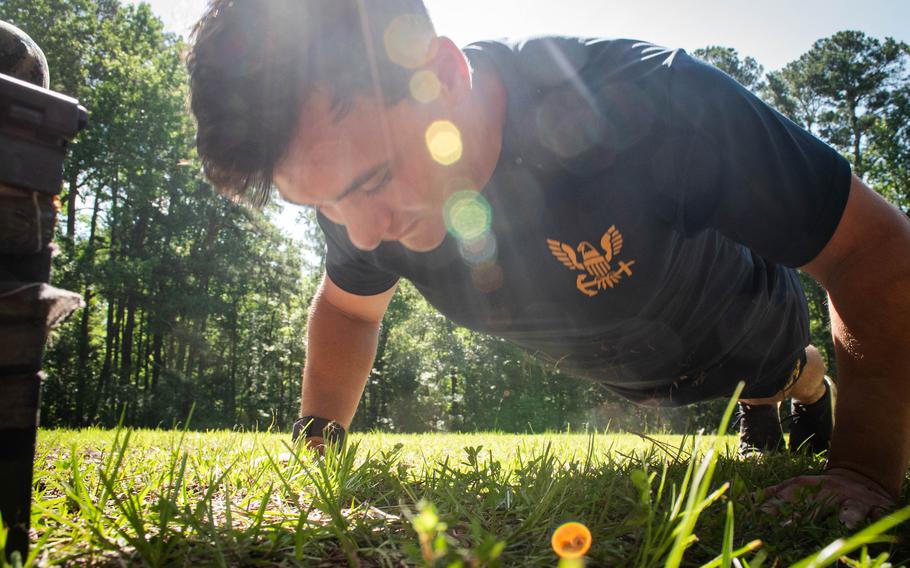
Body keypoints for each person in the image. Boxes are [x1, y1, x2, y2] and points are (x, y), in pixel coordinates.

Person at [186, 0, 909, 527]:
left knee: (782, 373)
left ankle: (802, 391)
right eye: (322, 205)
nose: (364, 235)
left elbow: (874, 250)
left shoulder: (654, 100)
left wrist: (862, 470)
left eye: (371, 181)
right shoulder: (360, 212)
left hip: (745, 324)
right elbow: (348, 308)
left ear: (441, 72)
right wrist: (320, 444)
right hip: (633, 369)